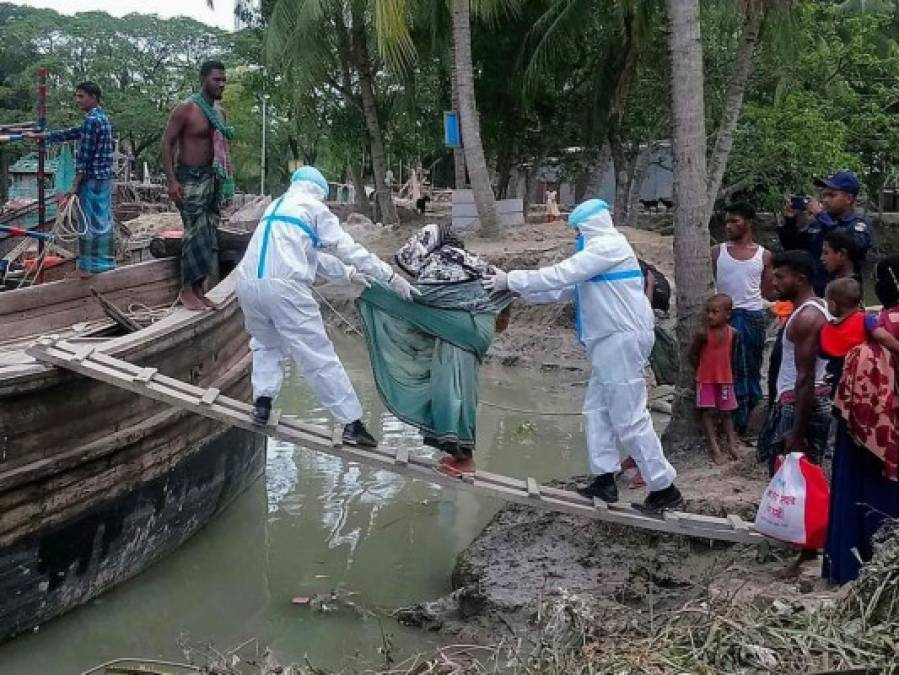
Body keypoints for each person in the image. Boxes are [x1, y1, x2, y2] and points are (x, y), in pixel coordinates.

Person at [482, 199, 682, 512]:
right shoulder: (598, 256)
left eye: (577, 230)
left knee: (629, 419)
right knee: (596, 411)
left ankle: (664, 487)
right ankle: (604, 479)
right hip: (609, 342)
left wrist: (512, 278)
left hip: (620, 340)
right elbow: (560, 290)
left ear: (588, 227)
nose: (576, 236)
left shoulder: (608, 247)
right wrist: (511, 285)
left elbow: (562, 274)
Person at [234, 166, 418, 447]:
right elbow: (348, 248)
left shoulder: (277, 206)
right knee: (318, 355)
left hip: (247, 285)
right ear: (320, 192)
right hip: (286, 288)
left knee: (265, 343)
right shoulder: (313, 208)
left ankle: (262, 402)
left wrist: (348, 275)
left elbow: (310, 256)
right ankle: (352, 423)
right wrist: (390, 276)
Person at [356, 223, 514, 476]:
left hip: (464, 328)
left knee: (398, 300)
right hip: (476, 329)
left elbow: (420, 299)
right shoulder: (469, 260)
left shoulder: (438, 261)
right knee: (454, 383)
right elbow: (506, 296)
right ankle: (459, 458)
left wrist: (374, 291)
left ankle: (464, 459)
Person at [824, 257, 899, 585]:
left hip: (867, 425)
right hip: (883, 425)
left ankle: (850, 569)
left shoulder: (874, 322)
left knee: (856, 493)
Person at [161, 60, 235, 311]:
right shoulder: (187, 108)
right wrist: (171, 181)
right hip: (189, 179)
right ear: (203, 79)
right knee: (194, 233)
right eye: (217, 79)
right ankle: (186, 290)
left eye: (224, 79)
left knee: (208, 233)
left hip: (212, 179)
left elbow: (223, 150)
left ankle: (199, 288)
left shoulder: (220, 113)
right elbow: (167, 142)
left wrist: (225, 182)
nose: (221, 83)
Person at [26, 82, 115, 276]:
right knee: (103, 220)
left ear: (93, 97)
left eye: (81, 96)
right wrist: (44, 135)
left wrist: (75, 184)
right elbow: (73, 132)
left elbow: (85, 156)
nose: (78, 101)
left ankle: (88, 268)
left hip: (91, 178)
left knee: (88, 223)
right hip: (104, 177)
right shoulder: (101, 118)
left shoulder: (92, 120)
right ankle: (105, 264)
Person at [758, 251, 831, 475]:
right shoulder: (812, 308)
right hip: (797, 400)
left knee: (791, 477)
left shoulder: (807, 317)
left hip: (799, 405)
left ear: (800, 279)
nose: (774, 282)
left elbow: (806, 376)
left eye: (780, 277)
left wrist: (796, 432)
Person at [712, 202, 774, 434]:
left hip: (752, 317)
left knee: (752, 366)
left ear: (748, 222)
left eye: (734, 221)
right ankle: (731, 419)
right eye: (727, 221)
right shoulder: (717, 252)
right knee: (728, 369)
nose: (729, 226)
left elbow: (768, 291)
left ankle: (751, 420)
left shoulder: (763, 255)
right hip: (725, 318)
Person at [779, 170, 872, 296]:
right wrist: (790, 220)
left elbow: (855, 246)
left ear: (849, 198)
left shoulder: (858, 224)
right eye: (824, 195)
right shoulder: (817, 223)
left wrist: (822, 216)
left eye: (832, 195)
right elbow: (793, 248)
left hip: (844, 296)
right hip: (814, 294)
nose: (826, 200)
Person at [690, 294, 740, 464]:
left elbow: (732, 356)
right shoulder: (703, 334)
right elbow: (693, 354)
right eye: (708, 312)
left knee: (727, 412)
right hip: (706, 379)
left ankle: (732, 445)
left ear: (727, 315)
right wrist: (700, 371)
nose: (710, 316)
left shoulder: (733, 333)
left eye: (715, 312)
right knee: (708, 412)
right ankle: (714, 448)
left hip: (725, 379)